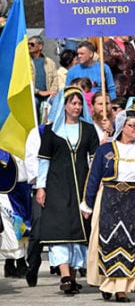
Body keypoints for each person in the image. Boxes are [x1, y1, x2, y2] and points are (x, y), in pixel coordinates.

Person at [81, 109, 135, 302]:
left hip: (134, 199)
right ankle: (107, 282)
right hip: (109, 197)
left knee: (130, 243)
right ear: (122, 127)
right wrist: (87, 203)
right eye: (132, 125)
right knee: (108, 240)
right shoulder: (105, 150)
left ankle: (122, 288)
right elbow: (93, 177)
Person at [36, 86, 99, 294]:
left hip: (81, 184)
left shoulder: (88, 130)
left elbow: (94, 160)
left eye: (80, 103)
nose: (77, 107)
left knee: (78, 229)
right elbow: (44, 161)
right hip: (57, 184)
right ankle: (64, 274)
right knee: (60, 228)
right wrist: (41, 187)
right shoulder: (51, 131)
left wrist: (95, 185)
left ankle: (71, 277)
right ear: (64, 105)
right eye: (73, 103)